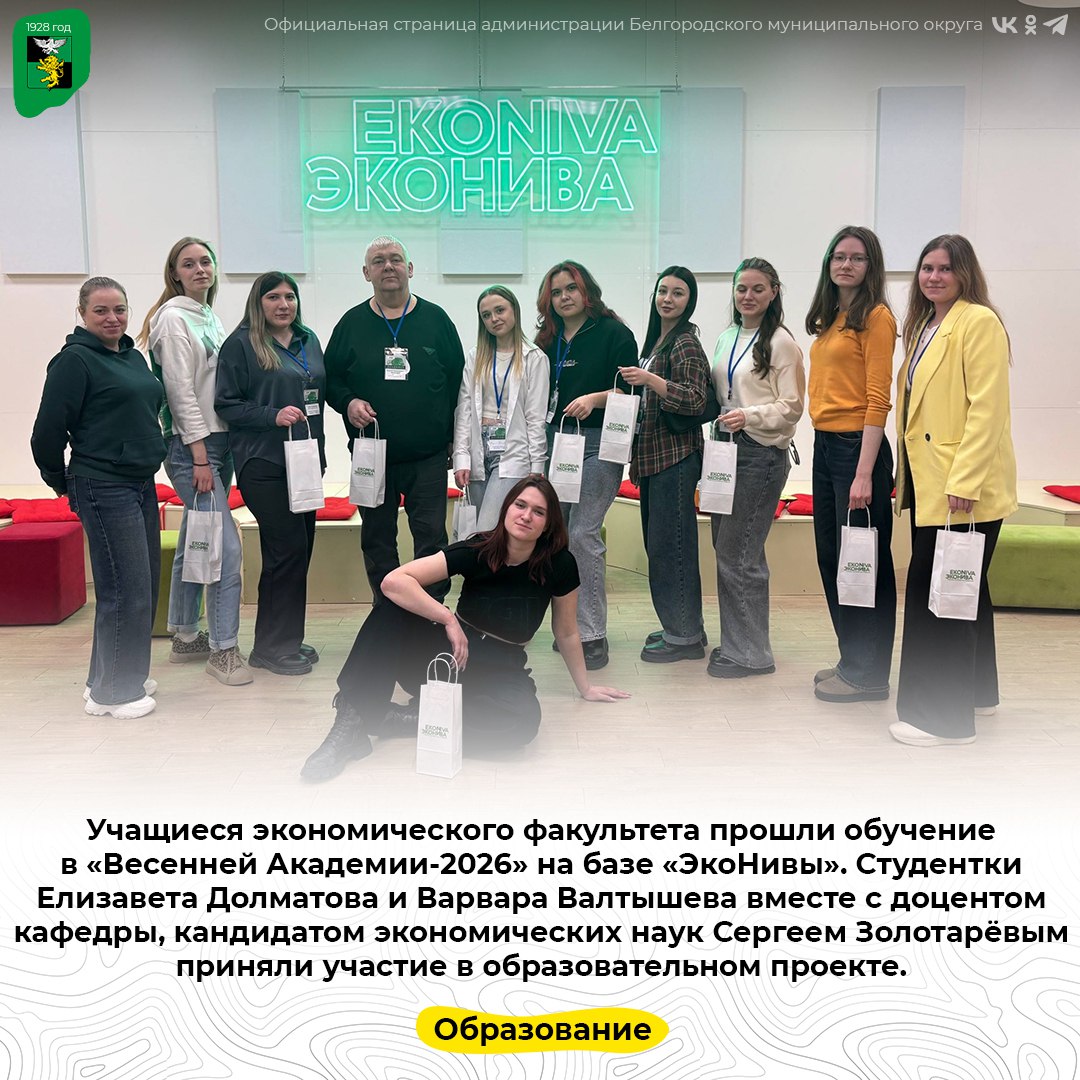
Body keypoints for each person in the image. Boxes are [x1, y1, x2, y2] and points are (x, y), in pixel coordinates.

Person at [301, 477, 630, 781]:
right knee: (391, 608)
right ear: (507, 509)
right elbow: (393, 582)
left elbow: (567, 632)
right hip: (448, 659)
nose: (526, 516)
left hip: (502, 668)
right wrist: (447, 618)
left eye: (538, 511)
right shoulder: (478, 549)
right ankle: (349, 725)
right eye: (520, 505)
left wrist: (586, 687)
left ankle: (417, 721)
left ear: (548, 524)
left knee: (523, 724)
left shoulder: (560, 565)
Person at [890, 235, 1017, 747]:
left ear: (965, 273)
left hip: (961, 487)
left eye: (945, 268)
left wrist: (964, 481)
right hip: (931, 482)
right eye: (927, 267)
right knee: (966, 590)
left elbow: (988, 409)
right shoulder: (924, 325)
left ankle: (940, 720)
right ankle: (978, 693)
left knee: (938, 597)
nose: (934, 277)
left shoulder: (978, 321)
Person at [31, 277, 166, 718]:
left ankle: (111, 677)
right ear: (83, 314)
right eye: (101, 311)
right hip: (102, 483)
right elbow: (46, 433)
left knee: (142, 585)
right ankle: (115, 693)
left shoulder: (131, 356)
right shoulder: (73, 361)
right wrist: (62, 482)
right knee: (124, 590)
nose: (112, 318)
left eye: (120, 309)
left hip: (140, 481)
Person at [324, 236, 465, 604]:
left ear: (410, 268)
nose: (388, 266)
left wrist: (455, 439)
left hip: (428, 456)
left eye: (396, 259)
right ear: (366, 272)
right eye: (379, 261)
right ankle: (387, 610)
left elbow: (457, 382)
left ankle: (430, 611)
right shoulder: (351, 324)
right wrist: (348, 402)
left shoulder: (436, 320)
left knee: (431, 539)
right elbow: (330, 380)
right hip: (370, 454)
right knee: (377, 538)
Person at [139, 236, 250, 686]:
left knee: (196, 537)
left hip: (219, 445)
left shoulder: (208, 316)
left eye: (206, 261)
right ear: (175, 273)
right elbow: (179, 391)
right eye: (189, 264)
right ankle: (223, 649)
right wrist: (200, 454)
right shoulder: (172, 318)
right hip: (193, 449)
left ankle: (185, 635)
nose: (200, 269)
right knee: (225, 546)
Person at [214, 272, 326, 676]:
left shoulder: (307, 339)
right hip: (263, 462)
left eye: (290, 297)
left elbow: (318, 396)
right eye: (273, 297)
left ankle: (284, 639)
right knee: (286, 550)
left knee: (300, 551)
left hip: (305, 460)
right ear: (258, 303)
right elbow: (226, 404)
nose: (283, 305)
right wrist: (271, 415)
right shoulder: (241, 344)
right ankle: (271, 648)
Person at [804, 226, 897, 702]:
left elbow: (879, 398)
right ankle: (852, 657)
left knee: (863, 562)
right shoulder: (832, 318)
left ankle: (868, 674)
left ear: (870, 265)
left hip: (858, 449)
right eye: (838, 256)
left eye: (857, 258)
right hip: (826, 446)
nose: (846, 264)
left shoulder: (876, 317)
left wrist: (864, 472)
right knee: (833, 557)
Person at [536, 260, 638, 670]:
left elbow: (630, 393)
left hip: (600, 443)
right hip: (556, 443)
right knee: (559, 537)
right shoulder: (547, 341)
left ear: (586, 291)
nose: (564, 297)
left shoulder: (614, 333)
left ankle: (593, 634)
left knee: (583, 532)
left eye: (571, 289)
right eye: (557, 292)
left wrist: (595, 399)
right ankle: (568, 628)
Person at [708, 258, 806, 678]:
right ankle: (739, 642)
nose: (748, 296)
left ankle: (750, 654)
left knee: (740, 555)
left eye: (757, 289)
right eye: (741, 288)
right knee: (728, 550)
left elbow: (792, 406)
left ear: (774, 292)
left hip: (759, 453)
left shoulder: (781, 342)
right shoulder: (727, 336)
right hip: (724, 450)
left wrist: (748, 416)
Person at [618, 266, 711, 663]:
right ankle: (682, 626)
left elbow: (696, 399)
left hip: (676, 458)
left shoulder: (685, 342)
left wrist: (650, 380)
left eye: (678, 293)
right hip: (654, 460)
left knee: (672, 550)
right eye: (663, 291)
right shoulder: (657, 341)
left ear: (689, 301)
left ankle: (684, 637)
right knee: (662, 549)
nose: (667, 299)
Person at [453, 286, 549, 531]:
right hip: (478, 450)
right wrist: (461, 457)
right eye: (486, 315)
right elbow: (464, 409)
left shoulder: (534, 357)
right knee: (477, 531)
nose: (494, 319)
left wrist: (537, 467)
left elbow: (535, 417)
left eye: (500, 310)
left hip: (513, 452)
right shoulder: (476, 356)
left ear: (514, 310)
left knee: (486, 529)